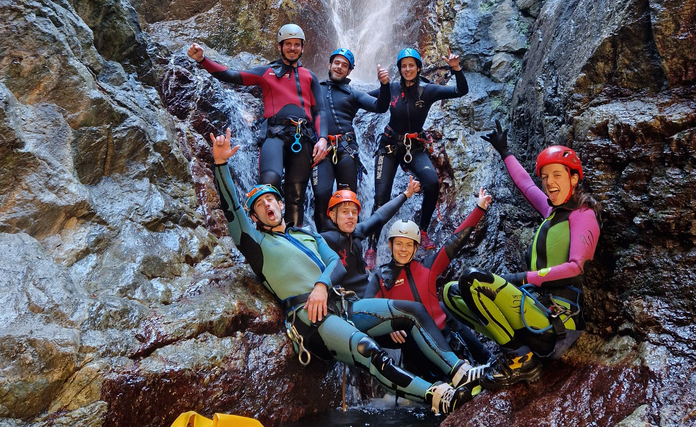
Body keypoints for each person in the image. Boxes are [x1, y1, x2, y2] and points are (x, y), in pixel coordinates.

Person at [208, 128, 490, 414]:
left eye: (271, 199)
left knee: (412, 310)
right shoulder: (255, 243)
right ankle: (437, 396)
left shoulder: (309, 234)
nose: (267, 204)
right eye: (259, 205)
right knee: (368, 350)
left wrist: (321, 285)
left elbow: (335, 263)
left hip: (344, 304)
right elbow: (232, 210)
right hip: (312, 318)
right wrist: (220, 165)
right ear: (254, 217)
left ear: (281, 204)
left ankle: (460, 371)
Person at [442, 120, 601, 389]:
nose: (549, 182)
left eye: (557, 175)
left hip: (557, 322)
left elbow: (576, 267)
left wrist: (522, 276)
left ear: (574, 178)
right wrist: (505, 151)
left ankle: (520, 360)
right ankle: (514, 351)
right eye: (546, 176)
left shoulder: (584, 216)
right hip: (533, 309)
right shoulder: (552, 213)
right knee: (450, 292)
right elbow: (526, 184)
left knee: (473, 280)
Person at [188, 24, 329, 227]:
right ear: (280, 47)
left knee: (296, 195)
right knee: (269, 184)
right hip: (274, 134)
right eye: (287, 44)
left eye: (296, 44)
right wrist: (203, 60)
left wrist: (322, 138)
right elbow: (232, 75)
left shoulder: (310, 77)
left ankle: (294, 244)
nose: (292, 48)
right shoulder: (267, 72)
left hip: (303, 137)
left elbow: (320, 111)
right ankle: (266, 239)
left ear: (302, 48)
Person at [364, 190, 494, 379]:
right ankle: (437, 384)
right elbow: (365, 312)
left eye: (409, 245)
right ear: (390, 246)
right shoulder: (380, 278)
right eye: (398, 244)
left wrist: (479, 208)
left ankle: (487, 359)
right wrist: (388, 326)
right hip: (415, 347)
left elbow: (455, 242)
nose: (403, 249)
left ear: (416, 248)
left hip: (445, 336)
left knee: (446, 308)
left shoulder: (429, 267)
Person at [365, 47, 468, 263]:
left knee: (431, 182)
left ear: (419, 67)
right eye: (404, 66)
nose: (408, 69)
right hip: (390, 147)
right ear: (399, 69)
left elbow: (460, 91)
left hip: (414, 147)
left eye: (412, 65)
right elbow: (362, 98)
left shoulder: (428, 90)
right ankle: (372, 247)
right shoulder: (391, 89)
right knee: (380, 197)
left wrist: (456, 68)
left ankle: (422, 230)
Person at [312, 48, 391, 232]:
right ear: (329, 65)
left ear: (349, 71)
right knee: (321, 194)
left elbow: (380, 107)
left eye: (345, 65)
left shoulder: (353, 94)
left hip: (346, 149)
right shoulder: (314, 88)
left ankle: (346, 244)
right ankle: (325, 241)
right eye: (337, 63)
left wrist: (385, 85)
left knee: (347, 199)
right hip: (321, 150)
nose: (339, 67)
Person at [320, 176, 420, 295]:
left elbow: (379, 217)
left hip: (366, 292)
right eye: (345, 212)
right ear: (332, 215)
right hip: (347, 300)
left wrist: (406, 194)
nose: (351, 216)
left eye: (354, 212)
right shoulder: (324, 240)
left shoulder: (355, 233)